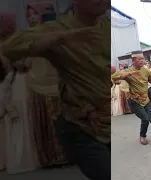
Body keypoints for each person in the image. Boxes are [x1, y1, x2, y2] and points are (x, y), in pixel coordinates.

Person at [0, 0, 111, 179]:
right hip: (81, 127)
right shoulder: (58, 30)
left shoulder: (108, 27)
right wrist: (59, 39)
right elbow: (8, 48)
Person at [25, 3, 68, 167]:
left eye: (35, 14)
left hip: (54, 82)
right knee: (43, 121)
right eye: (28, 16)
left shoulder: (54, 33)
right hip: (36, 83)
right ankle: (49, 159)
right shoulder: (27, 36)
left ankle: (65, 156)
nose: (32, 18)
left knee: (58, 120)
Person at [0, 12, 39, 174]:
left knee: (15, 122)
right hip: (18, 83)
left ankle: (17, 159)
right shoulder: (15, 41)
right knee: (22, 120)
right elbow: (22, 65)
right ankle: (25, 159)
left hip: (12, 84)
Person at [112, 51, 151, 147]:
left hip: (145, 99)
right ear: (133, 61)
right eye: (140, 59)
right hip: (134, 101)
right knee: (145, 119)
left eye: (143, 59)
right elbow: (114, 76)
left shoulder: (146, 71)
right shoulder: (128, 71)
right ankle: (142, 135)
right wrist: (129, 74)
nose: (142, 61)